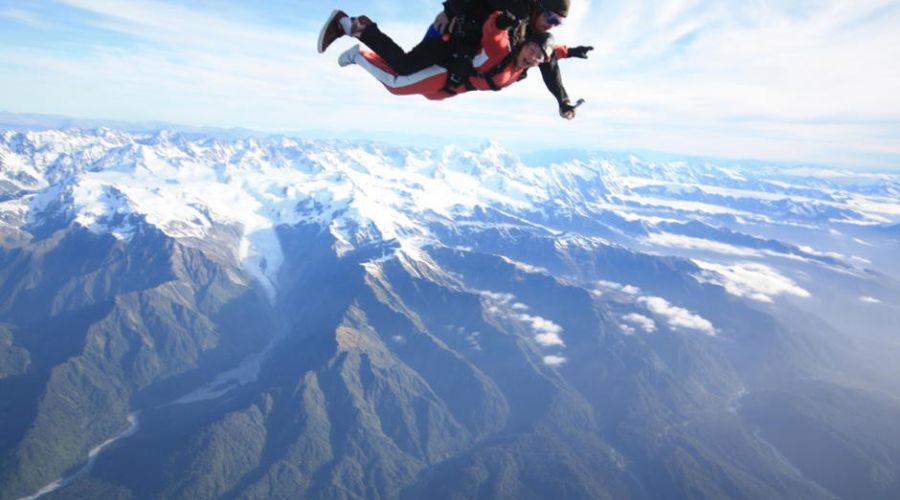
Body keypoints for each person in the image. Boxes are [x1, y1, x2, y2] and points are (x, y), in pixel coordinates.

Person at [318, 1, 593, 118]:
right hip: (453, 39)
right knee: (401, 72)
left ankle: (360, 33)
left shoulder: (534, 34)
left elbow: (549, 61)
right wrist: (450, 11)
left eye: (558, 24)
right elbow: (494, 28)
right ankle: (354, 26)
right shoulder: (519, 5)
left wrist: (562, 99)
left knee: (419, 87)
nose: (551, 25)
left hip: (464, 57)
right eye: (551, 18)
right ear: (540, 6)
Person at [332, 12, 565, 101]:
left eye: (539, 57)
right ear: (525, 45)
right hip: (450, 70)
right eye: (532, 50)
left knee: (407, 79)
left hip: (452, 86)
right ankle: (359, 54)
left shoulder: (522, 68)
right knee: (398, 82)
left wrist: (570, 53)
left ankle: (365, 40)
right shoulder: (502, 51)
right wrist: (502, 20)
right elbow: (493, 32)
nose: (534, 56)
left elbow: (554, 55)